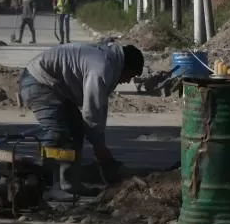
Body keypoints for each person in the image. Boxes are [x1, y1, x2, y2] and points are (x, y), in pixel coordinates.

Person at [19, 41, 145, 197]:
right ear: (125, 67)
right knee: (58, 131)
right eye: (130, 76)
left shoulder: (108, 60)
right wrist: (100, 148)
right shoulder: (102, 68)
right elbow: (92, 111)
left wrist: (99, 143)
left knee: (76, 129)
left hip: (55, 87)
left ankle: (70, 184)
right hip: (38, 82)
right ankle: (38, 180)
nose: (127, 81)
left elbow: (97, 111)